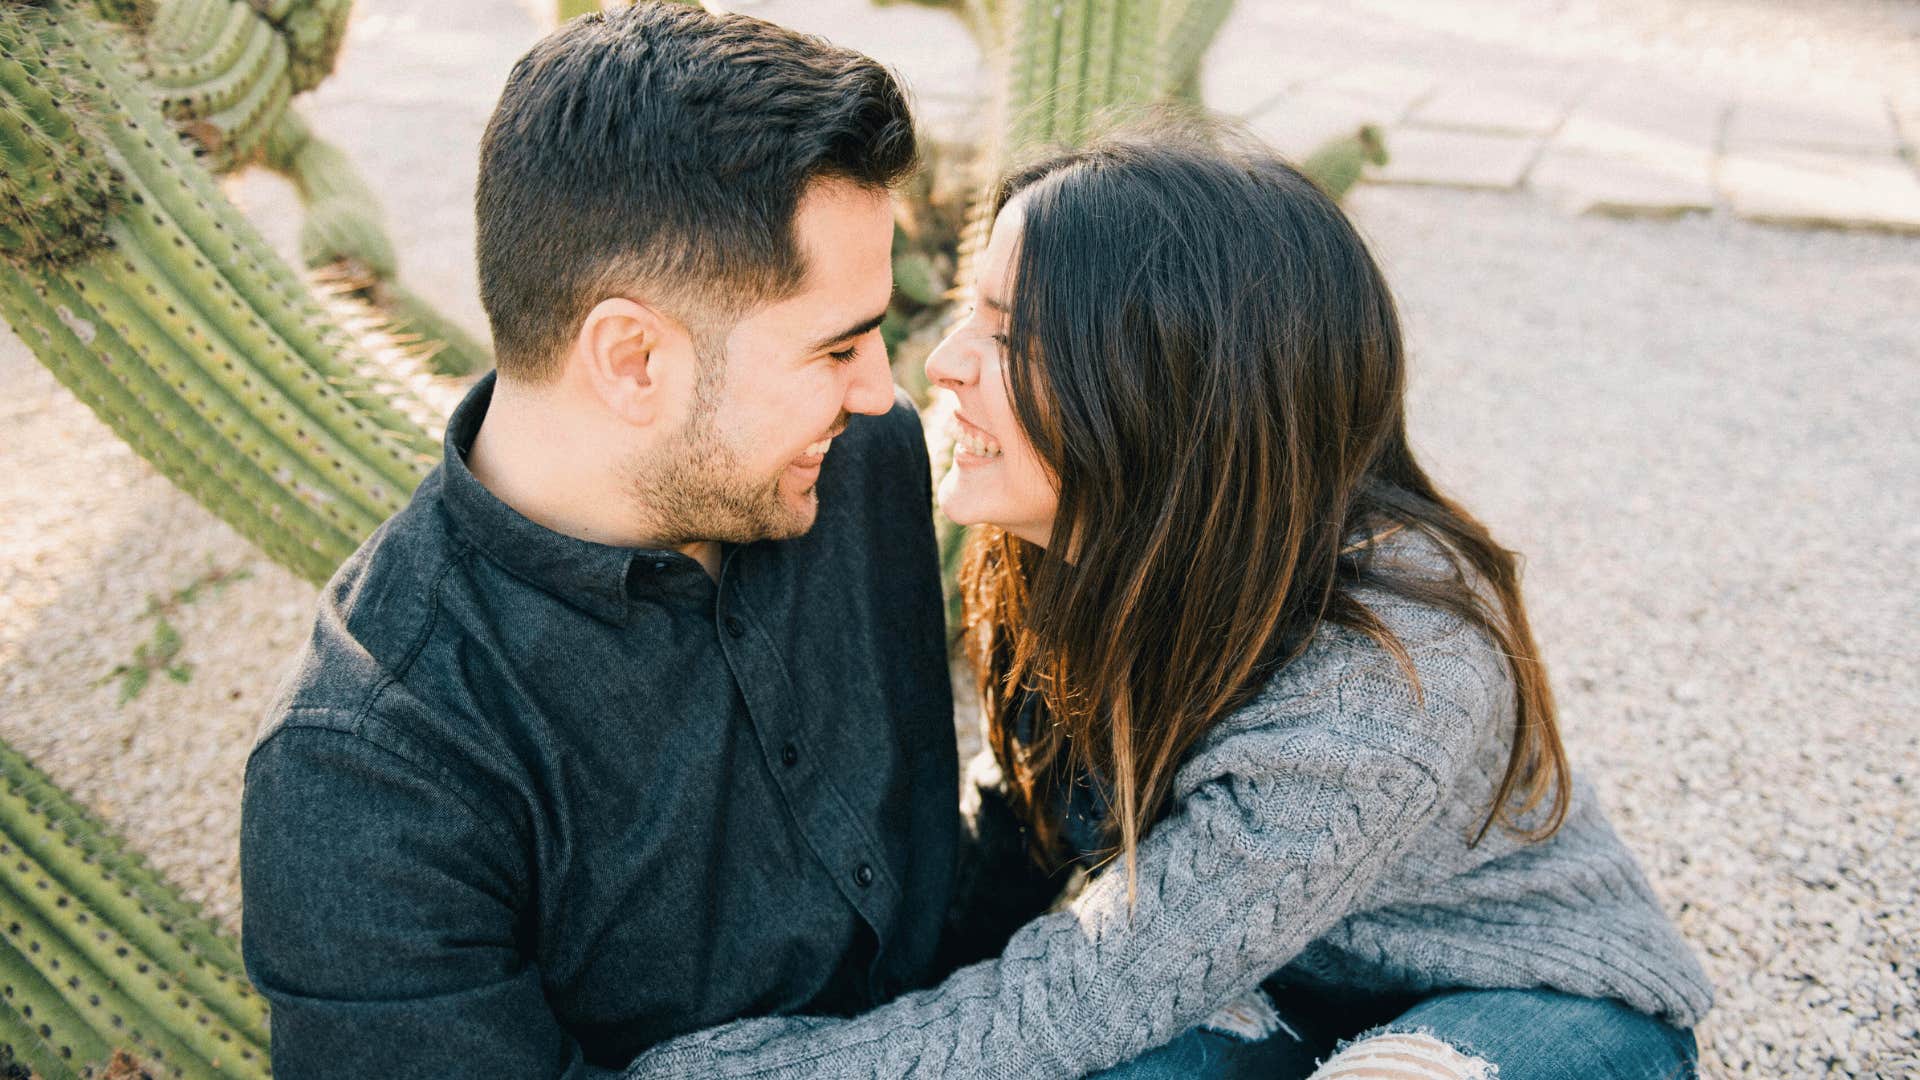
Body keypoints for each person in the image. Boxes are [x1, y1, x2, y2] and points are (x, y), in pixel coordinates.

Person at [616, 125, 1715, 1078]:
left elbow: (1079, 989)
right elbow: (1020, 852)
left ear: (1166, 383)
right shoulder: (1071, 555)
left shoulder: (1391, 671)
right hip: (1267, 977)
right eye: (966, 312)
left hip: (1533, 1005)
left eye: (1006, 330)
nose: (943, 363)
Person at [238, 6, 959, 1077]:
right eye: (840, 345)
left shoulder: (861, 462)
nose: (882, 390)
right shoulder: (371, 775)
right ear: (632, 360)